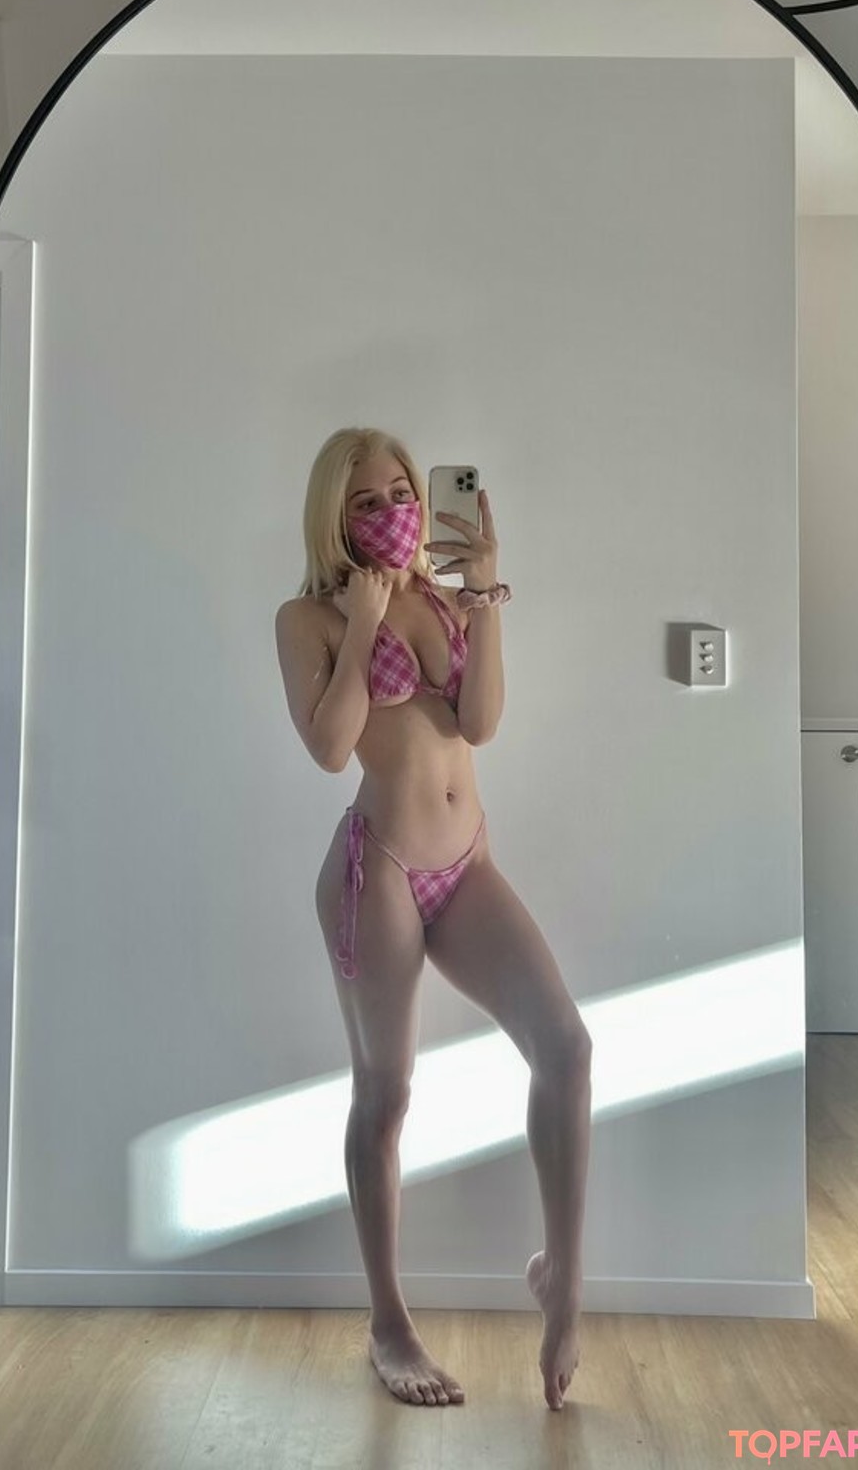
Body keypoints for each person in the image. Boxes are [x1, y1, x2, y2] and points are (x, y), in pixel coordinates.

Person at [274, 427, 593, 1412]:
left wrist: (485, 596)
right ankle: (389, 1322)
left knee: (567, 1049)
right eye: (366, 501)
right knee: (386, 1095)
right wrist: (363, 627)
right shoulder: (307, 617)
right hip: (378, 872)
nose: (391, 511)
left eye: (402, 491)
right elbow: (331, 748)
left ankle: (564, 1280)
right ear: (334, 517)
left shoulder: (450, 599)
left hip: (467, 864)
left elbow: (481, 722)